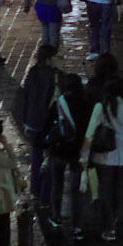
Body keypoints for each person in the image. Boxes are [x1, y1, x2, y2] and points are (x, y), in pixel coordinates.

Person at [81, 75, 123, 242]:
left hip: (103, 157)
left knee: (105, 190)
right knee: (118, 189)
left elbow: (89, 134)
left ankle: (109, 226)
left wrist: (84, 156)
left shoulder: (100, 108)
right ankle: (114, 218)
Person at [45, 72, 88, 233]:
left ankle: (56, 217)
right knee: (76, 191)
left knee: (57, 185)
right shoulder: (84, 104)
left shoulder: (58, 104)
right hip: (77, 152)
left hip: (58, 151)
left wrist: (46, 148)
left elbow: (47, 127)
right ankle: (77, 226)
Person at [20, 44, 59, 205]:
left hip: (31, 123)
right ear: (49, 58)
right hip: (46, 124)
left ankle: (35, 190)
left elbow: (24, 97)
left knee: (36, 156)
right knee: (49, 158)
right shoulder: (54, 76)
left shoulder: (32, 72)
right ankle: (45, 197)